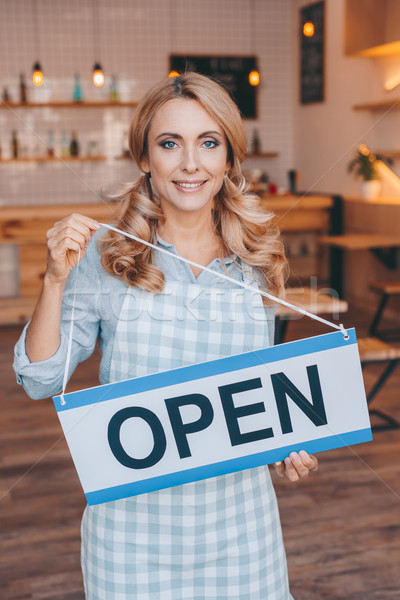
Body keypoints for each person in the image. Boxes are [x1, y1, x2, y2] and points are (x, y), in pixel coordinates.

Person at [14, 72, 318, 600]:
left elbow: (253, 393)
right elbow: (40, 379)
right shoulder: (106, 257)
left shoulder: (254, 261)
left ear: (229, 158)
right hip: (131, 538)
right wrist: (55, 280)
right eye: (170, 143)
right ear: (145, 159)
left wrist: (286, 444)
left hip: (242, 530)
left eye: (208, 142)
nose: (190, 163)